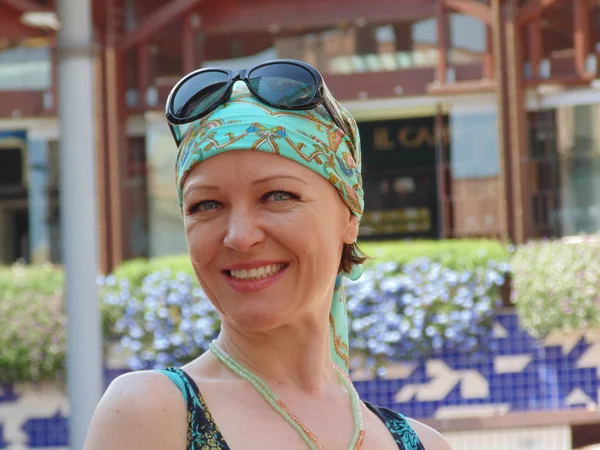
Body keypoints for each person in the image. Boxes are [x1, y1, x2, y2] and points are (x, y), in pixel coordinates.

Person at [84, 59, 452, 450]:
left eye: (277, 196)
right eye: (206, 205)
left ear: (350, 216)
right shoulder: (152, 414)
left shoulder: (418, 443)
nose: (240, 237)